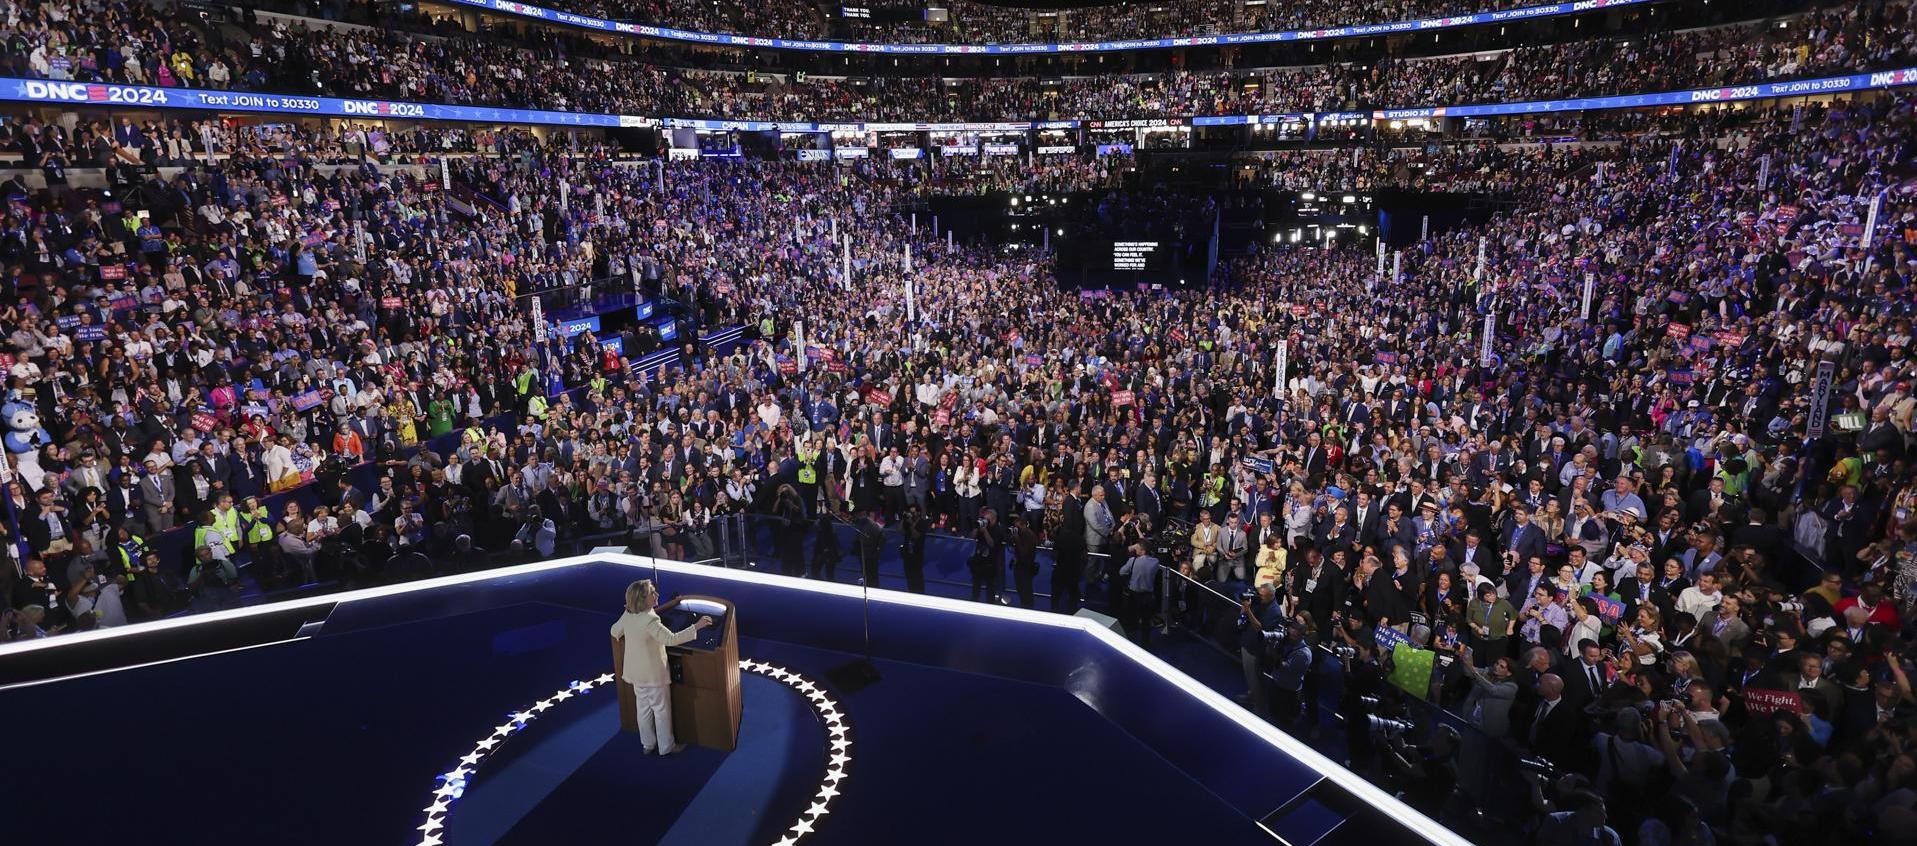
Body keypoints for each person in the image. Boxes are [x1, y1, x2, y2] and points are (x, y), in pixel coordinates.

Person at [609, 579, 712, 756]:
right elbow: (670, 639)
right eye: (652, 593)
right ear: (642, 599)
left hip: (636, 674)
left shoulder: (629, 615)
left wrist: (626, 613)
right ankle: (667, 747)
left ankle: (647, 744)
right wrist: (697, 626)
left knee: (643, 709)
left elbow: (614, 631)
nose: (657, 595)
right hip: (653, 676)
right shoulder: (651, 620)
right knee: (661, 711)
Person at [1118, 542, 1160, 645]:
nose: (1136, 549)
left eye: (1138, 548)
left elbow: (1121, 572)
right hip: (1147, 596)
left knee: (1131, 618)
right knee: (1146, 620)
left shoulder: (1132, 561)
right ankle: (1145, 643)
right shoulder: (1155, 562)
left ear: (1143, 551)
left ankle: (1128, 641)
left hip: (1133, 595)